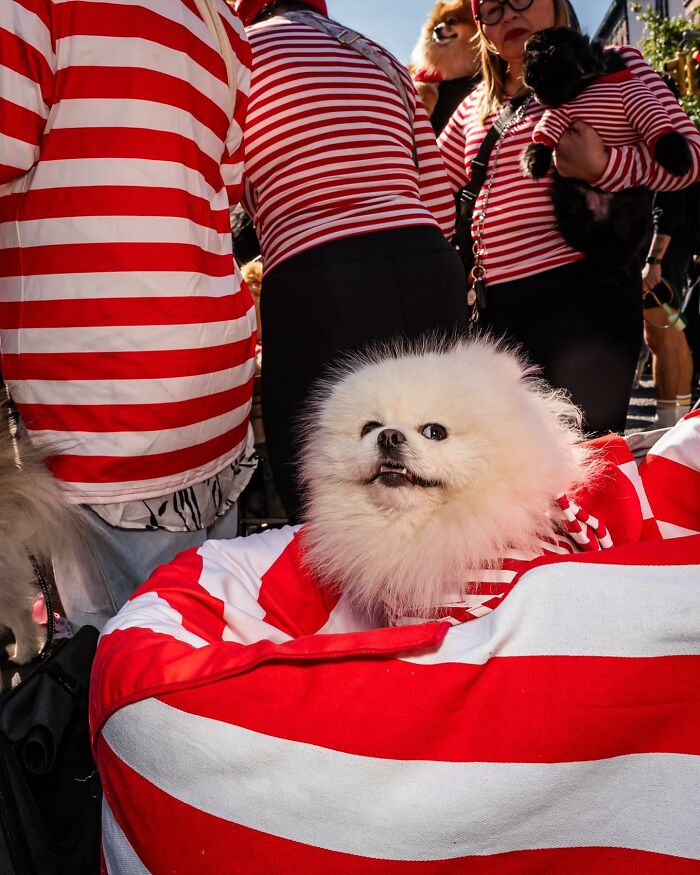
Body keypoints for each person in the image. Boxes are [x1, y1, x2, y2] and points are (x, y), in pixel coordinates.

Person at [0, 0, 257, 629]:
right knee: (198, 644)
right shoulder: (224, 25)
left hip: (99, 404)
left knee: (110, 678)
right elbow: (220, 200)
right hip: (212, 390)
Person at [234, 0, 468, 522]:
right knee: (433, 464)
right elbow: (436, 197)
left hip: (321, 274)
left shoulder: (238, 52)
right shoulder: (377, 54)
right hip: (426, 261)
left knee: (325, 478)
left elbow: (226, 176)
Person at [438, 0, 700, 436]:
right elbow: (432, 184)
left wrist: (603, 168)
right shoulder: (472, 108)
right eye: (491, 9)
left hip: (584, 295)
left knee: (585, 463)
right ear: (481, 27)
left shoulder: (613, 66)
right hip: (493, 310)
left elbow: (688, 161)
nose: (508, 16)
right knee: (509, 470)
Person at [641, 187, 698, 428]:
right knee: (675, 331)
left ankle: (666, 424)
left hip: (665, 250)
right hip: (676, 246)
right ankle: (676, 420)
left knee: (661, 336)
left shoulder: (673, 151)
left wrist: (654, 261)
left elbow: (668, 205)